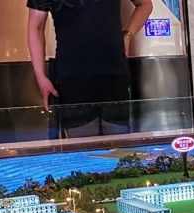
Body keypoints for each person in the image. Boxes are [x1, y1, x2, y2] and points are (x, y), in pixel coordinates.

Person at [27, 0, 153, 138]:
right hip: (73, 77)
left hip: (114, 73)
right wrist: (40, 76)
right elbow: (36, 27)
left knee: (119, 145)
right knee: (83, 145)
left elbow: (145, 4)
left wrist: (127, 35)